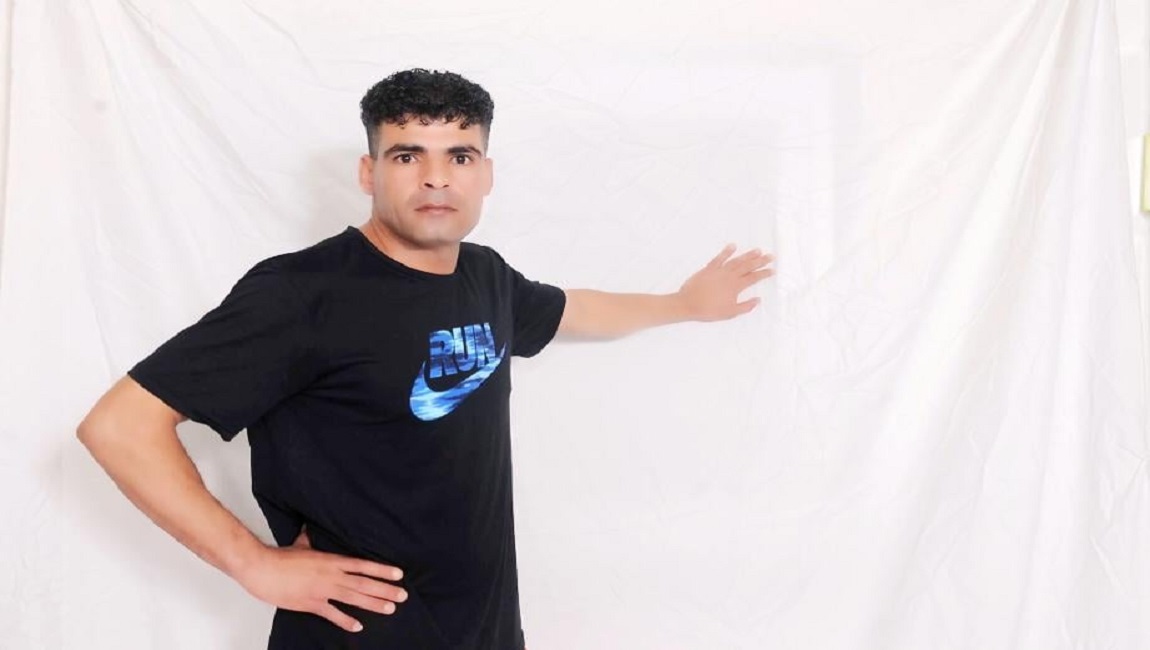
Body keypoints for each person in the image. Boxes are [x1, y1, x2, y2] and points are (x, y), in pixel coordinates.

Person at [76, 68, 776, 650]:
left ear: (486, 173)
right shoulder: (301, 293)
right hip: (360, 636)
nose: (436, 179)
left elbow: (574, 309)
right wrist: (252, 563)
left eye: (459, 156)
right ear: (369, 171)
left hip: (484, 631)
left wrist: (683, 303)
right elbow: (120, 426)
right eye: (407, 156)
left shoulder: (485, 276)